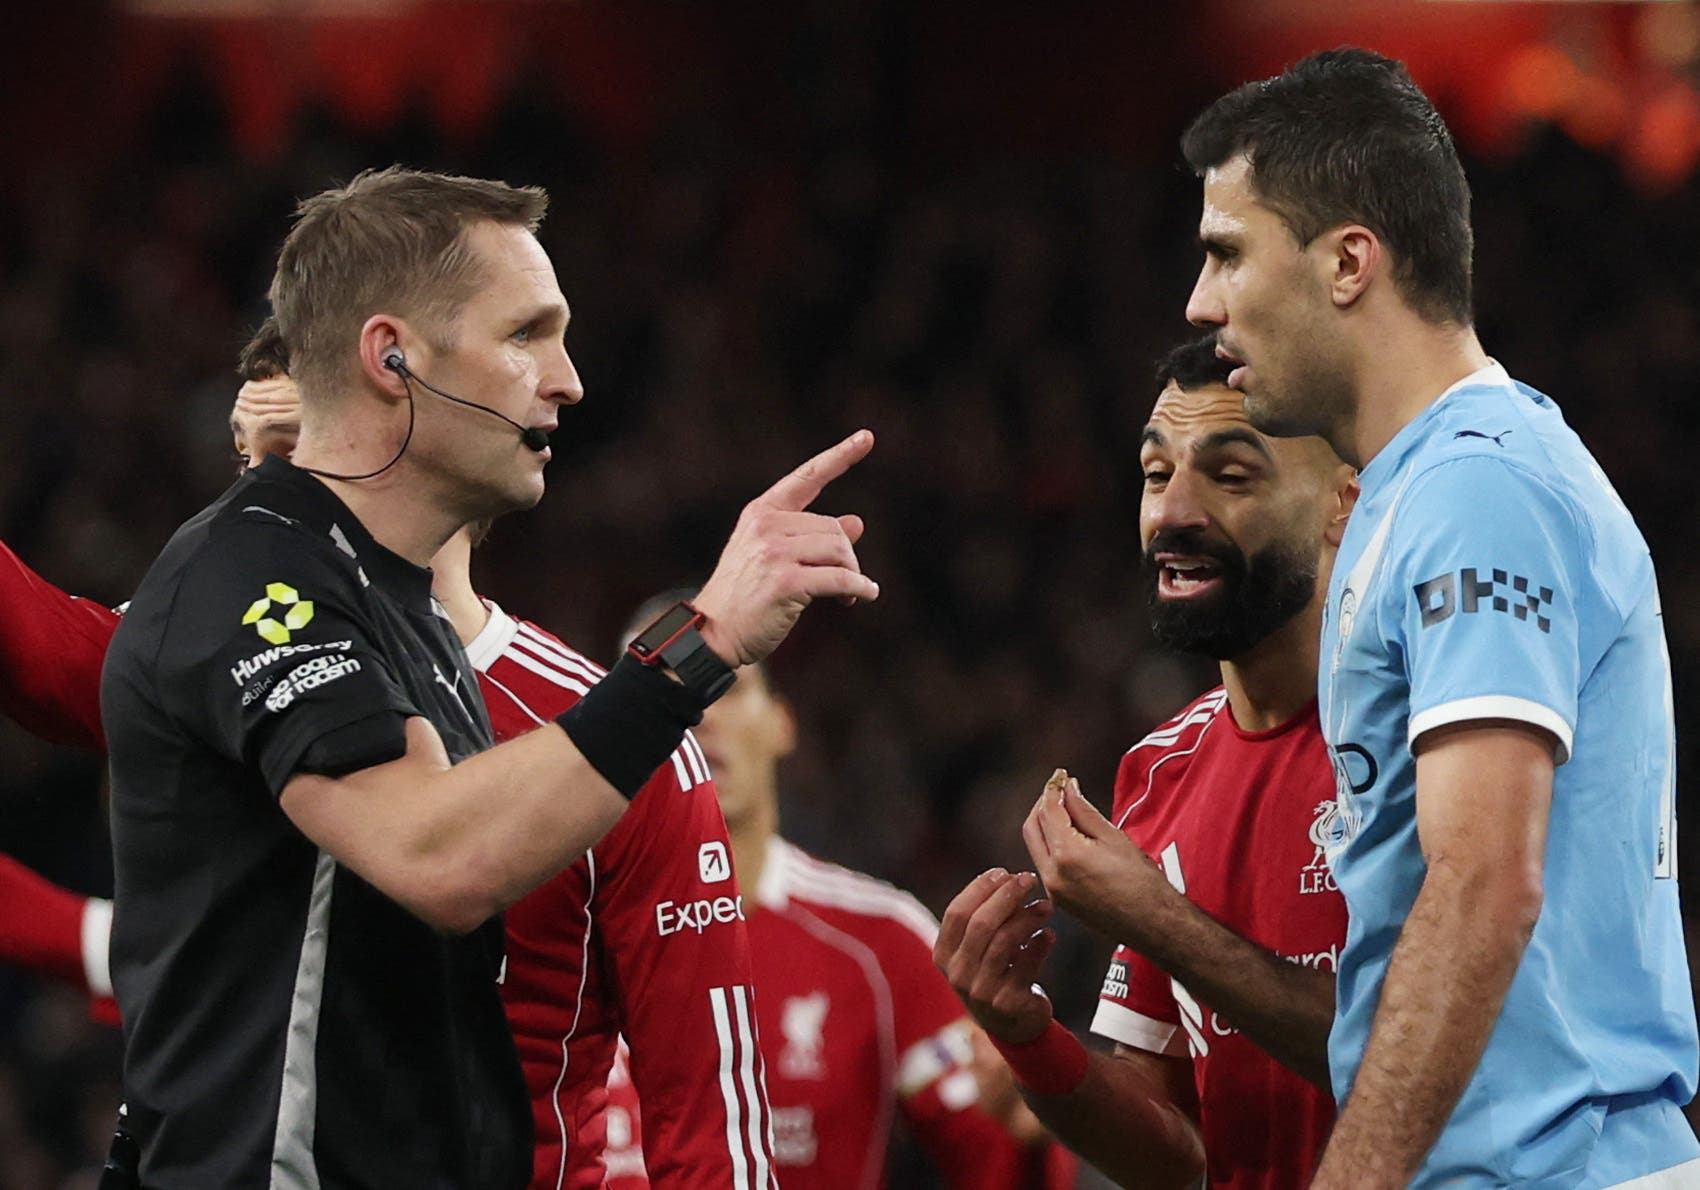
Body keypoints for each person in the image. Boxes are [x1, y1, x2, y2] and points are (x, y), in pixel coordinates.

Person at [101, 167, 878, 1188]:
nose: (567, 378)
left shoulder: (399, 614)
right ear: (393, 357)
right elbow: (439, 853)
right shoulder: (248, 573)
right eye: (525, 334)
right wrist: (700, 643)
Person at [1180, 48, 1697, 1188]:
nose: (1199, 302)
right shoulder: (1417, 490)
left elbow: (1480, 883)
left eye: (1226, 253)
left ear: (1347, 262)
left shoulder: (1477, 490)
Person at [933, 335, 1354, 1189]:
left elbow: (1422, 1055)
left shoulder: (1430, 740)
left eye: (1231, 477)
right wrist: (1026, 1034)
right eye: (1157, 475)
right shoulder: (1160, 770)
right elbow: (1173, 1152)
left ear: (1344, 504)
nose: (1174, 513)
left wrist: (1155, 917)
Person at [604, 594, 1079, 1190]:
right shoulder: (552, 931)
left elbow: (994, 1155)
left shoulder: (881, 942)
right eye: (666, 693)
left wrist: (1022, 1127)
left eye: (725, 686)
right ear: (613, 733)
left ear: (782, 723)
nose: (701, 713)